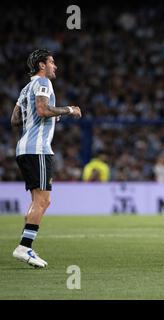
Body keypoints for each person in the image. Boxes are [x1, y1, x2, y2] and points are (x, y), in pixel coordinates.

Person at [10, 49, 82, 268]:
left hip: (24, 148)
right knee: (43, 201)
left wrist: (42, 121)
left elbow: (15, 120)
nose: (55, 66)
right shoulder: (43, 82)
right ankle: (24, 247)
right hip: (38, 149)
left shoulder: (25, 88)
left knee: (39, 200)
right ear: (42, 65)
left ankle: (26, 245)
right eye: (52, 62)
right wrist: (69, 109)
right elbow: (42, 110)